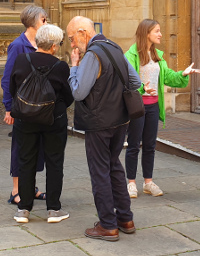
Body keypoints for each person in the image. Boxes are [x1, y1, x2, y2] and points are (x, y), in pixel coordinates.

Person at [67, 16, 141, 241]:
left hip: (99, 123)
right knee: (114, 167)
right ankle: (125, 219)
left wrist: (73, 67)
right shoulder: (115, 47)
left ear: (83, 33)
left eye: (72, 38)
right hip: (120, 120)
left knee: (100, 171)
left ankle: (108, 225)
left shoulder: (92, 54)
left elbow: (78, 92)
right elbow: (135, 81)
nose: (72, 44)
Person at [123, 19, 200, 198]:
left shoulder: (158, 55)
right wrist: (143, 88)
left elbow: (168, 77)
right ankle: (131, 183)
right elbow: (127, 82)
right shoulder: (131, 55)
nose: (160, 34)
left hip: (153, 107)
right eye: (156, 31)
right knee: (134, 144)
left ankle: (148, 182)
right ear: (146, 33)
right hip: (137, 107)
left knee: (150, 145)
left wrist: (183, 74)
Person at [10, 24, 74, 224]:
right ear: (54, 46)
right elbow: (68, 95)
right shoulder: (61, 66)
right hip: (53, 121)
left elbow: (13, 88)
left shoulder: (21, 60)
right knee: (54, 162)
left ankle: (23, 209)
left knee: (26, 161)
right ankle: (53, 209)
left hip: (25, 119)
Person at [2, 5, 47, 205]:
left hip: (39, 107)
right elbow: (7, 78)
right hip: (22, 105)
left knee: (35, 148)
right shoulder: (18, 45)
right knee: (20, 148)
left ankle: (30, 187)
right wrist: (9, 107)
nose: (46, 23)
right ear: (33, 22)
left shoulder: (41, 44)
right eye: (44, 20)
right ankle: (16, 190)